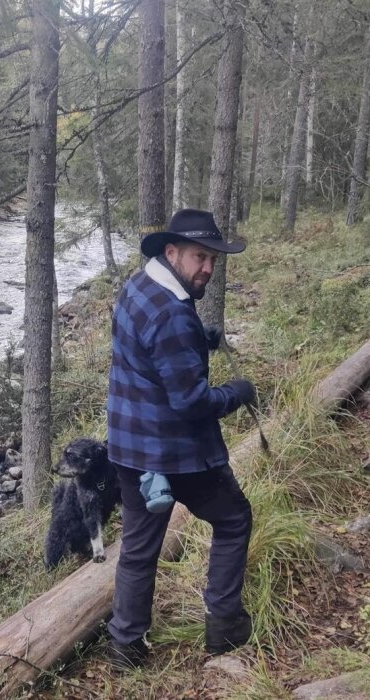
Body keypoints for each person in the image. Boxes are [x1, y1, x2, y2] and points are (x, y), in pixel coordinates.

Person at [106, 208, 256, 668]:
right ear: (172, 252)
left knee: (138, 549)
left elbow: (153, 348)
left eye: (212, 258)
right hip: (174, 454)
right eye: (199, 257)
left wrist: (198, 338)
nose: (207, 268)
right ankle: (224, 626)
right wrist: (238, 393)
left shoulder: (141, 285)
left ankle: (125, 647)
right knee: (234, 520)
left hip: (129, 448)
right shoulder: (172, 313)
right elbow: (191, 403)